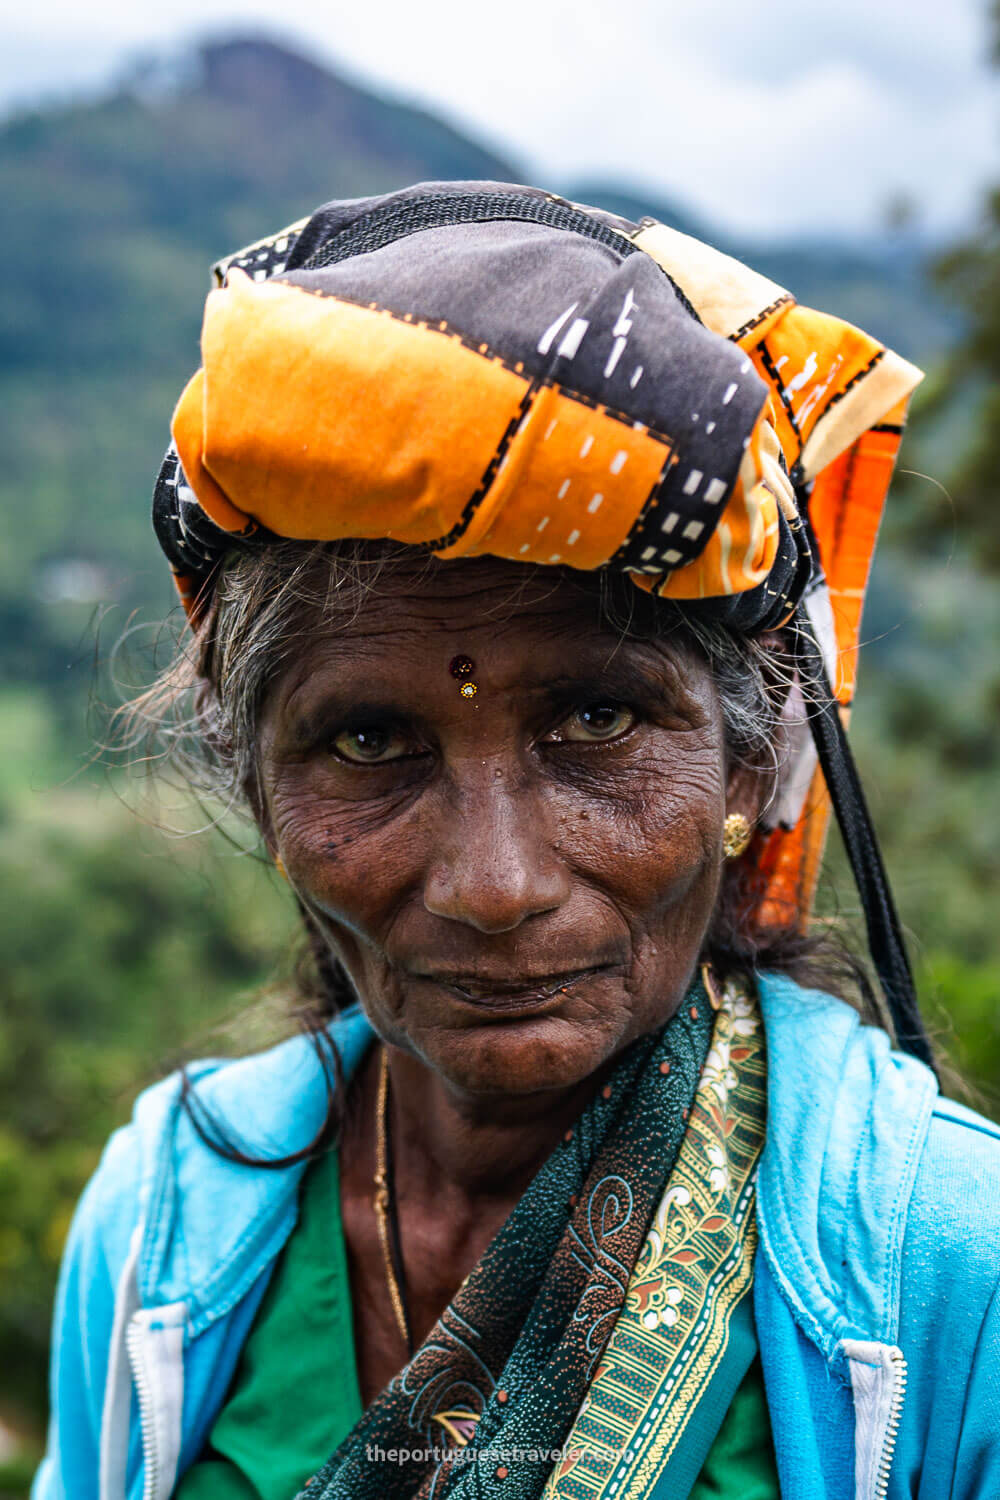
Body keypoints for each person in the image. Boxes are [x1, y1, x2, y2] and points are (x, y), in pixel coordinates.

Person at [32, 181, 1000, 1500]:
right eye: (367, 742)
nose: (496, 885)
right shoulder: (161, 1223)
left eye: (599, 718)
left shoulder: (949, 1277)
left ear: (752, 749)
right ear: (255, 787)